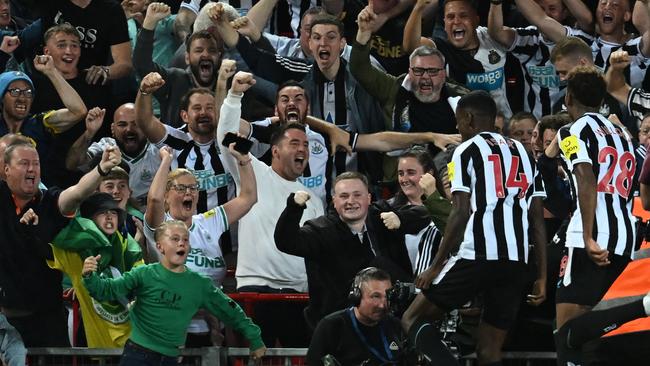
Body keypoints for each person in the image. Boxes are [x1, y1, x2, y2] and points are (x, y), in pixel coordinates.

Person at [400, 90, 548, 365]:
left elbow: (459, 212)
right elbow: (536, 219)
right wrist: (541, 275)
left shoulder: (464, 151)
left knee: (412, 319)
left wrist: (435, 266)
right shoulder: (525, 154)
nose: (456, 127)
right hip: (517, 260)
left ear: (468, 119)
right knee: (489, 351)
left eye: (457, 121)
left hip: (478, 254)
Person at [217, 71, 325, 346]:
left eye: (305, 145)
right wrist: (234, 96)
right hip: (256, 292)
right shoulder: (254, 174)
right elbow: (226, 138)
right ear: (275, 151)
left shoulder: (315, 200)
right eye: (294, 143)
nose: (302, 149)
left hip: (300, 297)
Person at [548, 66, 637, 366]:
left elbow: (585, 177)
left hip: (589, 237)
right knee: (590, 335)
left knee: (566, 332)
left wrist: (587, 236)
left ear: (568, 97)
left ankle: (643, 307)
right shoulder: (623, 133)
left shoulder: (573, 131)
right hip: (623, 239)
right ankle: (641, 307)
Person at [81, 220, 266, 364]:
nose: (182, 244)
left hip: (170, 358)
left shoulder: (199, 284)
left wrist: (255, 338)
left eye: (185, 240)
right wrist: (90, 276)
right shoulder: (143, 274)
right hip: (136, 355)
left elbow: (230, 310)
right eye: (175, 239)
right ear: (160, 246)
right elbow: (107, 290)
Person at [0, 140, 122, 347]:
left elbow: (77, 192)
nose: (32, 168)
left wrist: (101, 169)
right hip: (7, 318)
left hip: (48, 319)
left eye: (36, 163)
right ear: (6, 169)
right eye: (24, 163)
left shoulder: (50, 201)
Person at [274, 171, 430, 327]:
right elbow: (286, 241)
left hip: (389, 322)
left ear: (369, 198)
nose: (351, 201)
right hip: (338, 327)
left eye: (357, 195)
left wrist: (401, 219)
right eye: (343, 196)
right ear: (334, 200)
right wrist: (293, 208)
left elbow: (426, 214)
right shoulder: (319, 230)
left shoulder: (382, 218)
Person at [143, 142, 257, 346]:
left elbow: (248, 198)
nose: (189, 193)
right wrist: (166, 161)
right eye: (181, 188)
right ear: (167, 196)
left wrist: (243, 159)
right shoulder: (161, 227)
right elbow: (153, 200)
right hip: (172, 330)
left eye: (193, 188)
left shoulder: (207, 221)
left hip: (214, 329)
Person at [350, 5, 465, 147]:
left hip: (447, 166)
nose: (425, 77)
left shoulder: (462, 98)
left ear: (443, 74)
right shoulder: (393, 88)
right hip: (402, 165)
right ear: (409, 72)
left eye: (432, 71)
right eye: (418, 70)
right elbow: (359, 68)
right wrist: (363, 32)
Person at [41, 192, 144, 347]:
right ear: (88, 221)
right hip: (100, 349)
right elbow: (44, 246)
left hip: (135, 344)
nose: (109, 217)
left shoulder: (130, 250)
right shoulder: (76, 255)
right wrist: (31, 225)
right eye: (102, 213)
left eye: (113, 212)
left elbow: (143, 284)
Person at [135, 71, 231, 212]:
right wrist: (144, 92)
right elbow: (145, 122)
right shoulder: (175, 139)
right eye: (197, 108)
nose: (204, 112)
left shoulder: (229, 140)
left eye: (210, 108)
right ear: (185, 115)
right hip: (185, 230)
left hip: (227, 229)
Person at [403, 0, 513, 118]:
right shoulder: (441, 49)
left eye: (463, 16)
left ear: (476, 20)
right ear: (444, 24)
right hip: (463, 125)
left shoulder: (493, 39)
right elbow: (411, 46)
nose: (456, 21)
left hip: (503, 123)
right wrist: (418, 8)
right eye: (450, 17)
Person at [488, 0, 593, 118]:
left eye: (552, 9)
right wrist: (495, 3)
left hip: (571, 121)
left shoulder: (577, 39)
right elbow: (497, 33)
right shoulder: (531, 38)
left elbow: (541, 20)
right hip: (536, 125)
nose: (547, 13)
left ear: (564, 13)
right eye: (541, 8)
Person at [0, 59, 88, 185]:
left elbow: (78, 111)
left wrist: (51, 71)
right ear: (2, 98)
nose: (22, 98)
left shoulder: (39, 123)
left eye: (28, 92)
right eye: (15, 91)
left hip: (39, 195)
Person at [307, 267, 410, 365]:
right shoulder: (332, 326)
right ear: (356, 296)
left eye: (387, 296)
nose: (382, 305)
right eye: (375, 296)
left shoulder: (394, 325)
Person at [66, 103, 161, 204]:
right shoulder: (106, 147)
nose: (129, 129)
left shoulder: (159, 151)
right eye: (122, 125)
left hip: (147, 213)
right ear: (113, 129)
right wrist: (89, 133)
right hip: (109, 210)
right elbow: (73, 164)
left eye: (136, 124)